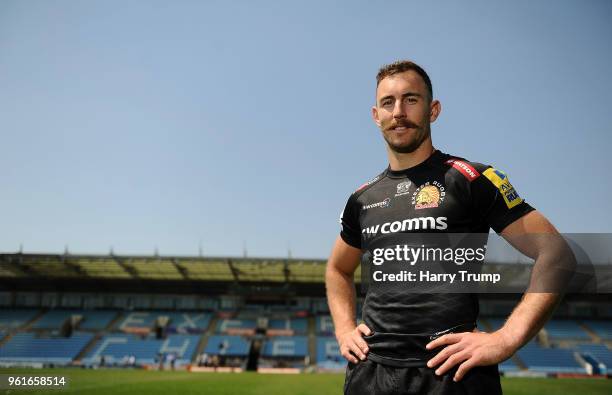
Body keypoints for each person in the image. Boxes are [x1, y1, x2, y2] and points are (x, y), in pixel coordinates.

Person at [325, 60, 573, 394]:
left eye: (411, 99)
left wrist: (506, 338)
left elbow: (556, 254)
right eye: (388, 102)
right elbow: (338, 269)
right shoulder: (361, 198)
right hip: (370, 375)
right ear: (376, 115)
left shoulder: (471, 178)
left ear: (433, 110)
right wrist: (344, 330)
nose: (398, 111)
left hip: (452, 374)